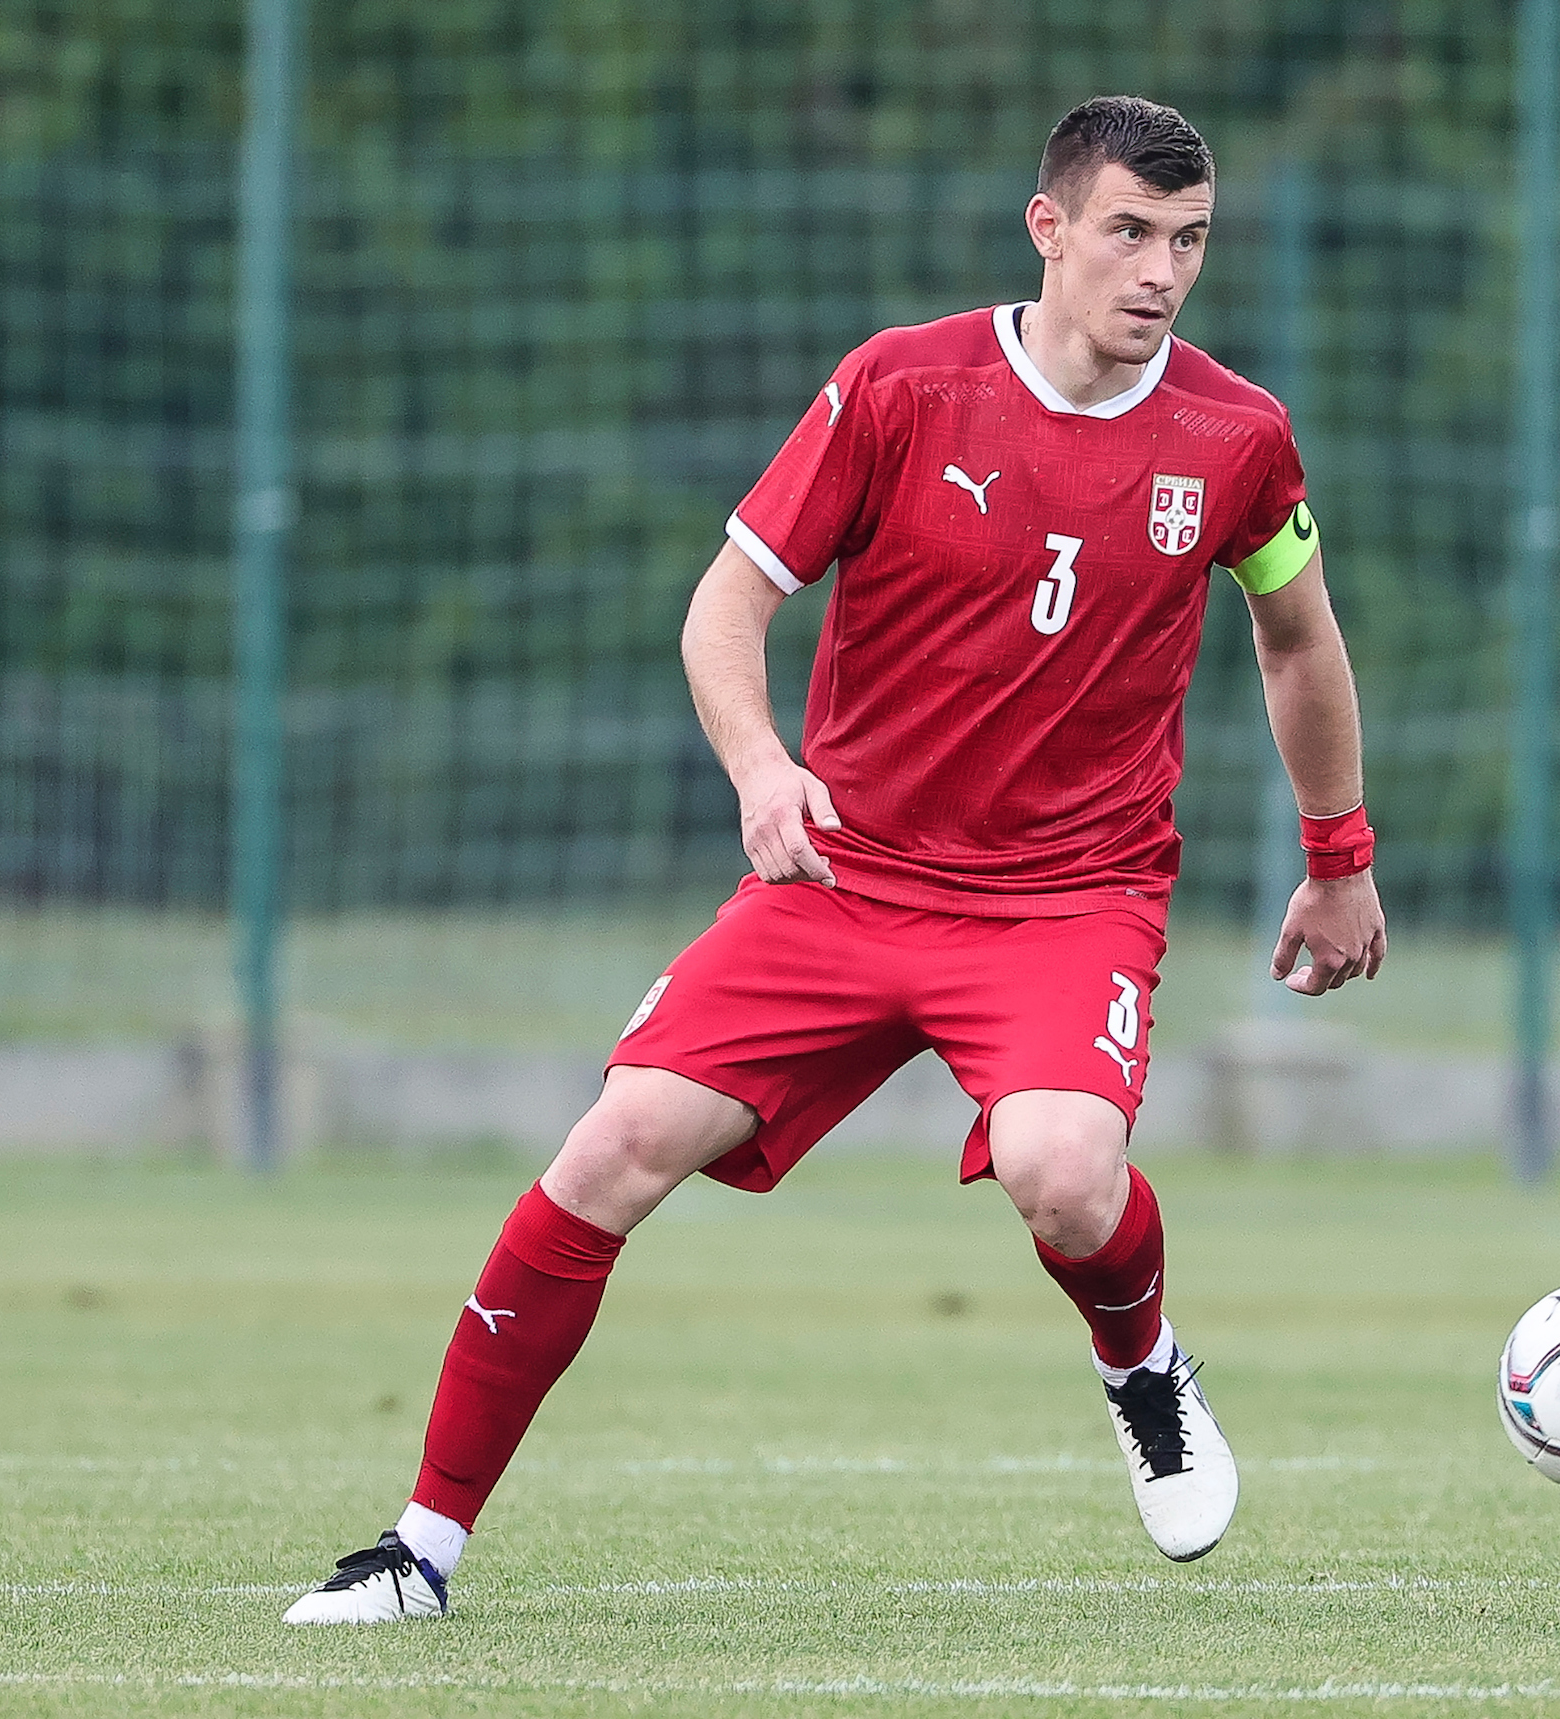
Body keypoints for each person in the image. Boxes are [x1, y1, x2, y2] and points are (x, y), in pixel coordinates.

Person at [283, 93, 1385, 1625]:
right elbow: (722, 609)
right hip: (847, 879)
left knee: (1065, 1179)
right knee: (608, 1154)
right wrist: (759, 772)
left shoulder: (1234, 435)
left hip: (1067, 898)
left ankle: (1141, 1364)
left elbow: (1296, 637)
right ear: (1048, 227)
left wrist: (1340, 853)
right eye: (1129, 232)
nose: (1159, 273)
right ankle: (420, 1551)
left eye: (1189, 241)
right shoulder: (900, 387)